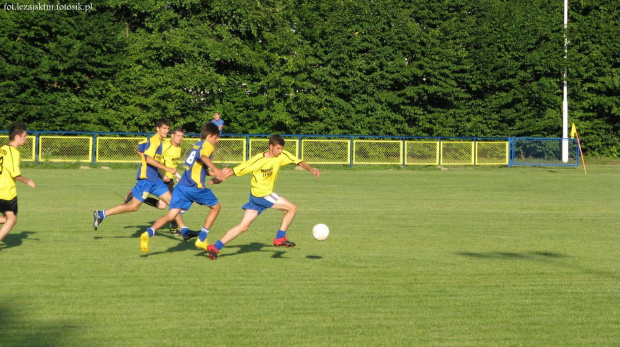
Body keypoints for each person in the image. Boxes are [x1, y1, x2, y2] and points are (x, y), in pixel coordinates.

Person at [205, 134, 320, 260]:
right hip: (262, 194)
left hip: (256, 197)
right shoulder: (258, 160)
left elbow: (299, 161)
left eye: (281, 149)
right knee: (292, 208)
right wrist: (221, 178)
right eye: (278, 149)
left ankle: (215, 247)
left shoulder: (283, 155)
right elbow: (238, 169)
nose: (280, 151)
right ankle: (280, 237)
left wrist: (311, 170)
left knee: (243, 226)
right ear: (270, 146)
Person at [140, 123, 227, 253]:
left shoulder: (197, 145)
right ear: (209, 136)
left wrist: (218, 173)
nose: (217, 140)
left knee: (172, 215)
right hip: (194, 187)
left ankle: (148, 233)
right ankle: (202, 239)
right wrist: (217, 170)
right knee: (216, 207)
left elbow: (200, 168)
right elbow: (203, 157)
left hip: (182, 187)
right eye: (216, 137)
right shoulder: (208, 145)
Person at [93, 118, 185, 232]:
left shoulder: (159, 141)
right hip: (147, 179)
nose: (166, 131)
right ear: (158, 129)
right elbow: (148, 159)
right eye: (164, 128)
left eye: (167, 129)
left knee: (172, 203)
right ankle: (101, 214)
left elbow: (141, 148)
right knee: (133, 207)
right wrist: (167, 169)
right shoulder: (155, 140)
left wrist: (162, 172)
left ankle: (184, 230)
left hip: (155, 179)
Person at [124, 127, 185, 234]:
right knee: (174, 203)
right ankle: (176, 228)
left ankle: (136, 196)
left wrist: (178, 175)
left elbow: (171, 164)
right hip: (160, 177)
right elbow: (143, 151)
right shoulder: (164, 144)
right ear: (172, 135)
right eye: (178, 136)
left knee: (162, 205)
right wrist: (162, 173)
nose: (180, 138)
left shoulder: (179, 148)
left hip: (169, 179)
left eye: (182, 136)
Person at [0, 123, 36, 251]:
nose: (26, 138)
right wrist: (28, 182)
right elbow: (15, 174)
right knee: (12, 219)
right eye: (24, 136)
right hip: (6, 192)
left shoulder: (2, 148)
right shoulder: (14, 152)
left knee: (6, 218)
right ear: (17, 137)